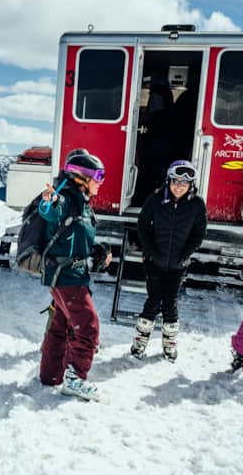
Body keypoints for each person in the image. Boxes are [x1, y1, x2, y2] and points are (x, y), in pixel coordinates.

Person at [38, 149, 112, 400]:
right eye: (98, 177)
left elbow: (76, 236)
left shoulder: (82, 203)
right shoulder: (66, 198)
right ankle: (75, 379)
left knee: (62, 323)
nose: (101, 182)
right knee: (88, 326)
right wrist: (48, 202)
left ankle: (51, 375)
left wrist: (98, 251)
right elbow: (51, 210)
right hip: (66, 275)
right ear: (82, 177)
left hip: (73, 273)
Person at [130, 159, 207, 361]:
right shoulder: (155, 199)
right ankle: (140, 341)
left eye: (184, 183)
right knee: (154, 299)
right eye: (175, 181)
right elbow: (143, 225)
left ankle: (169, 344)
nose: (179, 186)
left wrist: (185, 255)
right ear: (168, 181)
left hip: (178, 264)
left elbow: (198, 234)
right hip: (154, 261)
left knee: (170, 302)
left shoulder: (197, 205)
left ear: (191, 185)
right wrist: (150, 251)